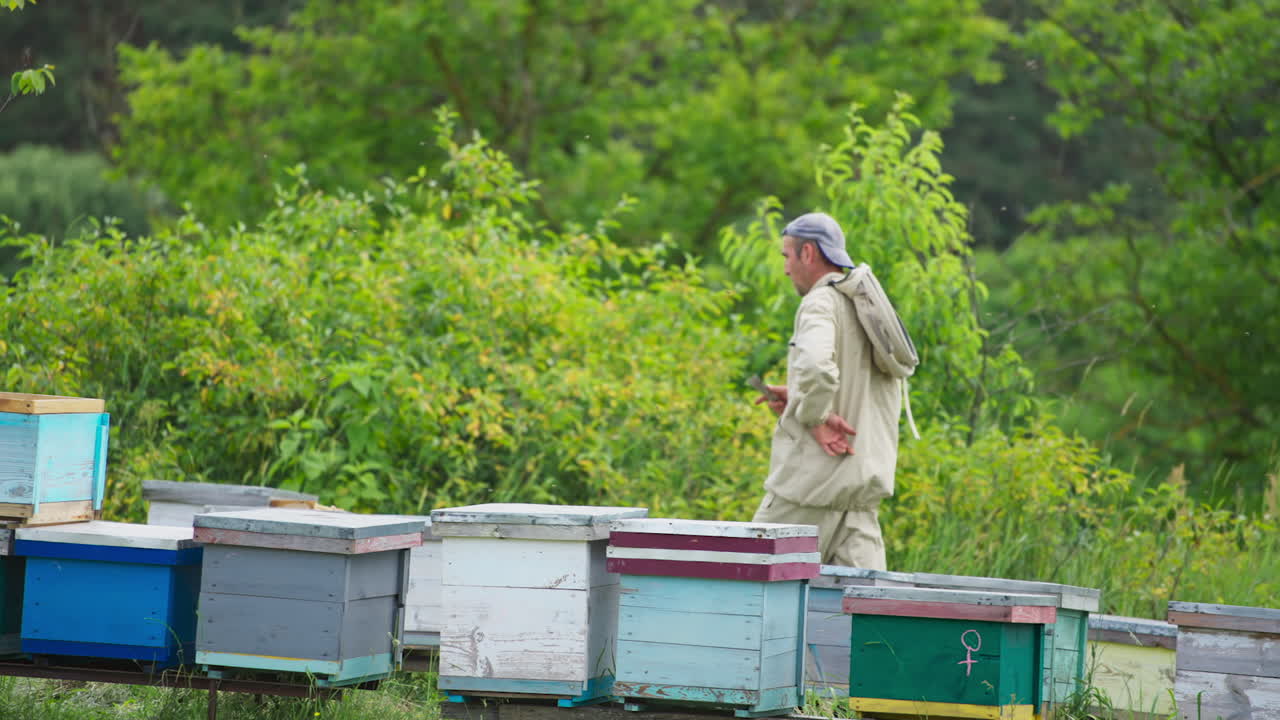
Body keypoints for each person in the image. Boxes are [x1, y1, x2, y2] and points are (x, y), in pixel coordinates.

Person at [752, 212, 902, 570]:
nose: (786, 269)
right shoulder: (866, 308)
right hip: (859, 496)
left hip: (809, 492)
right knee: (863, 614)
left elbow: (818, 366)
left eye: (787, 256)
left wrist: (813, 415)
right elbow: (851, 383)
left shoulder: (820, 302)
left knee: (750, 589)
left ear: (808, 254)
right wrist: (800, 397)